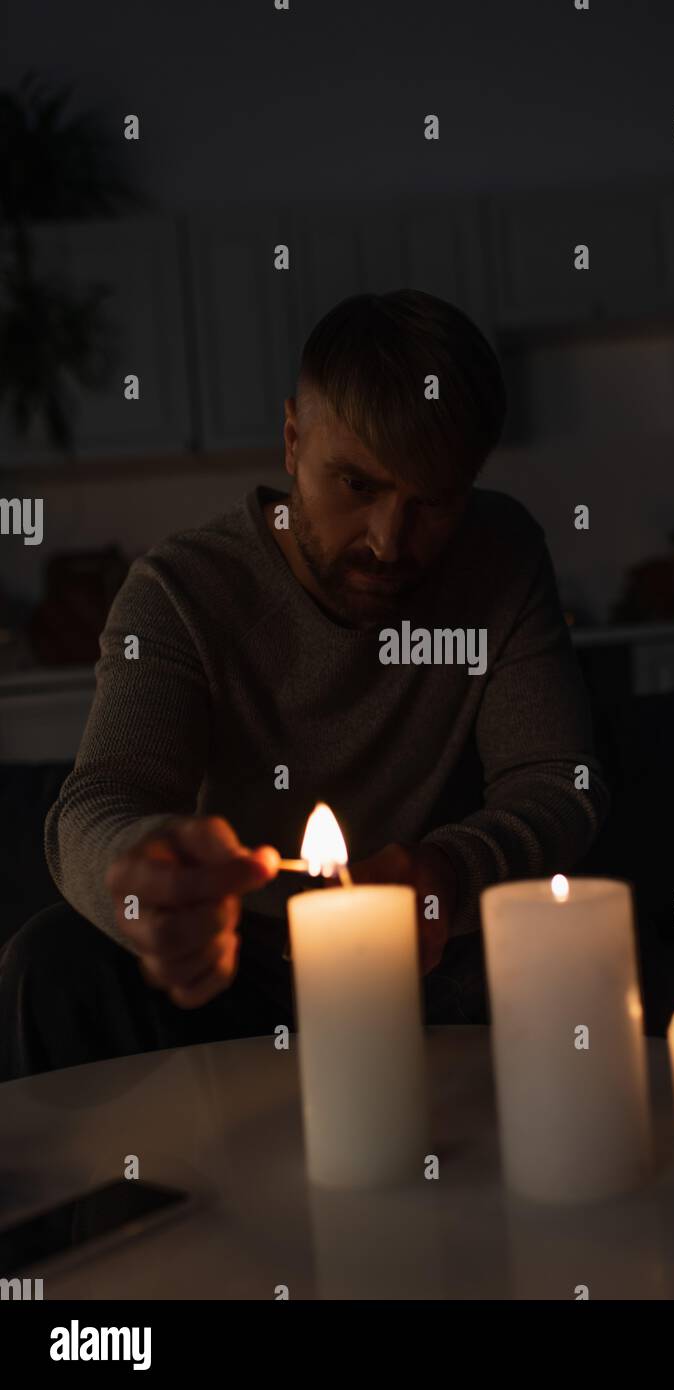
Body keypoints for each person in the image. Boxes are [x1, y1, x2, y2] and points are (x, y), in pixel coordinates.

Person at [0, 289, 608, 1080]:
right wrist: (141, 875)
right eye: (357, 486)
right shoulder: (182, 593)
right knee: (50, 966)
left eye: (432, 503)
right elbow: (94, 803)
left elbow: (561, 783)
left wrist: (447, 875)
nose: (389, 542)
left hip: (427, 961)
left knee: (554, 941)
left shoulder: (502, 555)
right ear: (293, 440)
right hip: (226, 970)